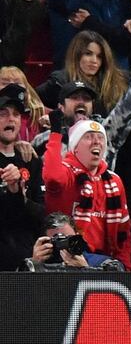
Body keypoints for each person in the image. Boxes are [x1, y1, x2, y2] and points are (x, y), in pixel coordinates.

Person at [41, 118, 131, 269]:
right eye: (89, 136)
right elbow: (52, 177)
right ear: (75, 147)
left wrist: (126, 268)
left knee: (116, 267)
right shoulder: (67, 173)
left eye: (100, 137)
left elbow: (123, 234)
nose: (96, 142)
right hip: (63, 259)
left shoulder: (114, 181)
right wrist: (55, 134)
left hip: (102, 261)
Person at [0, 84, 44, 271]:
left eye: (16, 114)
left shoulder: (30, 160)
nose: (11, 119)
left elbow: (42, 212)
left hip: (28, 257)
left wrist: (19, 195)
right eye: (3, 113)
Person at [35, 31, 128, 115]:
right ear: (76, 55)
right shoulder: (59, 81)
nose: (94, 61)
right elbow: (33, 101)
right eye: (88, 54)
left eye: (99, 56)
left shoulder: (118, 81)